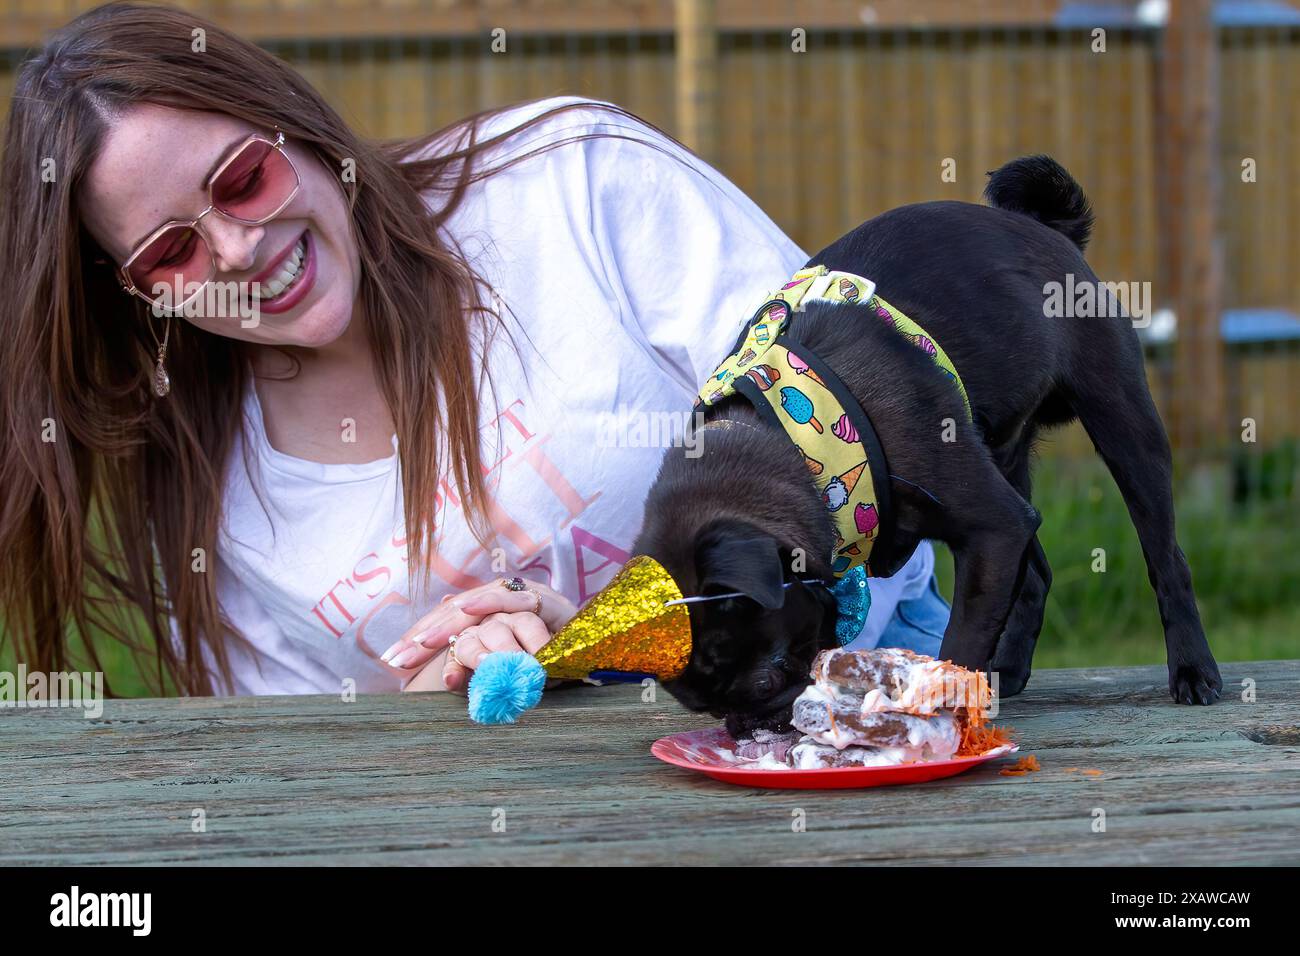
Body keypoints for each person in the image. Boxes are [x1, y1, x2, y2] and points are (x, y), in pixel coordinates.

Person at [0, 2, 949, 700]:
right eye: (173, 251)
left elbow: (871, 440)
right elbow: (305, 794)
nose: (239, 248)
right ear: (135, 294)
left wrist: (598, 650)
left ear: (287, 117)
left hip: (839, 716)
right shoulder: (212, 504)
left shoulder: (574, 187)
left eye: (243, 179)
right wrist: (429, 733)